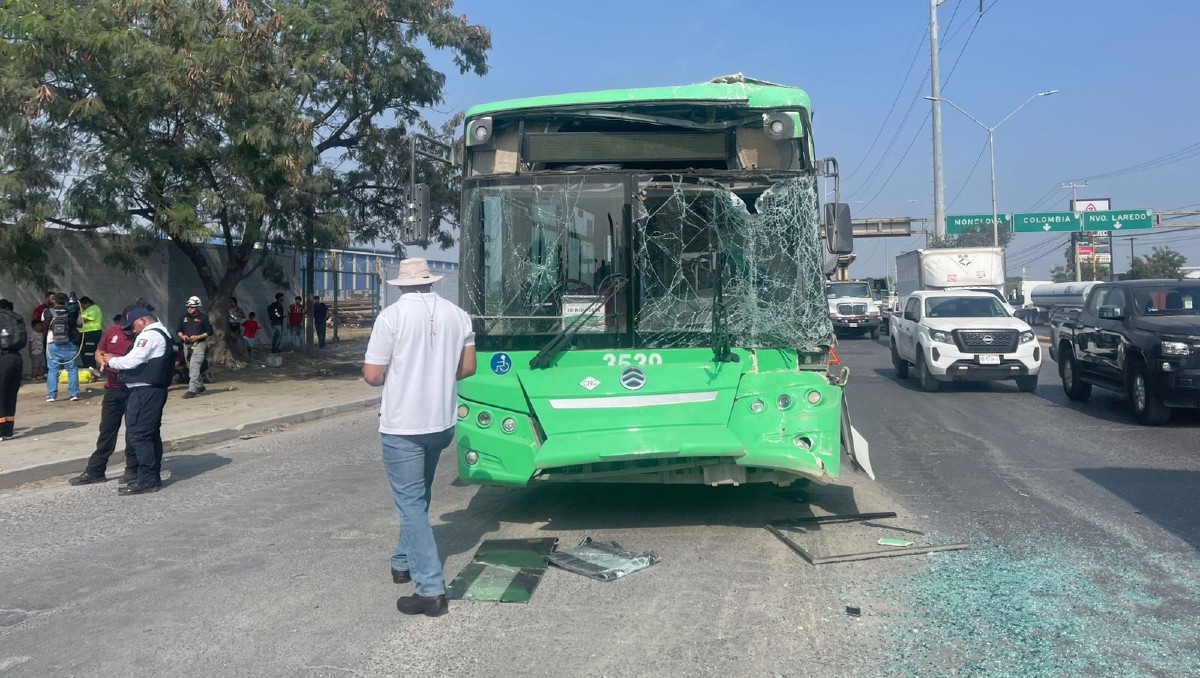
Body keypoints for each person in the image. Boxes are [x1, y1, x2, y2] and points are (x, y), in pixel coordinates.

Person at [362, 258, 476, 618]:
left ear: (401, 285)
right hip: (440, 422)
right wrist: (435, 375)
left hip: (403, 425)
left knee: (410, 503)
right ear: (430, 281)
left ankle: (430, 590)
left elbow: (373, 375)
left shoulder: (391, 317)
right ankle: (401, 562)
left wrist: (402, 374)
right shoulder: (459, 316)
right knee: (418, 495)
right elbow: (468, 368)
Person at [98, 308, 174, 495]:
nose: (132, 331)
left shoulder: (149, 335)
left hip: (144, 392)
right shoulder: (163, 332)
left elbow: (132, 361)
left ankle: (147, 479)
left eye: (132, 326)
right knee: (150, 434)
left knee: (140, 435)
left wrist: (111, 360)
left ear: (142, 321)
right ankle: (150, 477)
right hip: (153, 391)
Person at [68, 313, 138, 485]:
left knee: (133, 431)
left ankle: (132, 469)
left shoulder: (142, 337)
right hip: (112, 389)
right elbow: (99, 352)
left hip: (133, 389)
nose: (127, 330)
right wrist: (102, 362)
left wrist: (116, 362)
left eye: (130, 327)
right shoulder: (113, 332)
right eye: (124, 327)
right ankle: (96, 470)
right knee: (107, 430)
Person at [44, 292, 81, 402]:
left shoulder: (48, 312)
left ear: (54, 301)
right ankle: (74, 394)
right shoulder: (72, 312)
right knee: (72, 369)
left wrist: (44, 342)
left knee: (53, 370)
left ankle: (52, 395)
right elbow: (79, 324)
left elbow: (45, 328)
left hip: (52, 343)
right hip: (70, 343)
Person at [0, 299, 28, 441]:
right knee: (11, 394)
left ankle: (0, 430)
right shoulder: (16, 319)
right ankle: (7, 430)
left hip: (2, 357)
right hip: (16, 358)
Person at [176, 295, 212, 399]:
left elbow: (209, 332)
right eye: (188, 307)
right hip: (186, 345)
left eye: (191, 307)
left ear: (197, 307)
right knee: (189, 365)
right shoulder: (183, 318)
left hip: (199, 344)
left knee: (194, 366)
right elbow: (178, 331)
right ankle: (200, 386)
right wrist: (183, 337)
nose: (189, 309)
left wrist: (197, 337)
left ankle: (192, 389)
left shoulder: (203, 318)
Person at [78, 296, 103, 372]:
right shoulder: (87, 310)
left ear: (86, 303)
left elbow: (83, 321)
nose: (81, 307)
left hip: (91, 333)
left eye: (82, 305)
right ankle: (87, 367)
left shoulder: (93, 309)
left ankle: (90, 368)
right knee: (85, 352)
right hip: (87, 333)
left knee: (88, 352)